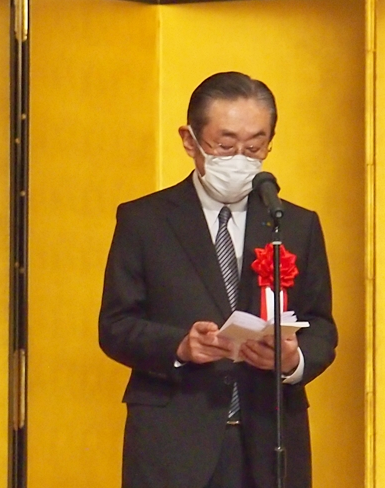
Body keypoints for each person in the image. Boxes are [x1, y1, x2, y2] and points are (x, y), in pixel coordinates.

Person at [98, 71, 337, 488]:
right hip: (173, 441)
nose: (240, 158)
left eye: (255, 146)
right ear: (190, 140)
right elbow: (116, 326)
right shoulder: (144, 221)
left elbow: (321, 326)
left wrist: (293, 360)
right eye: (225, 146)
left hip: (269, 439)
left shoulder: (294, 225)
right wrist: (180, 345)